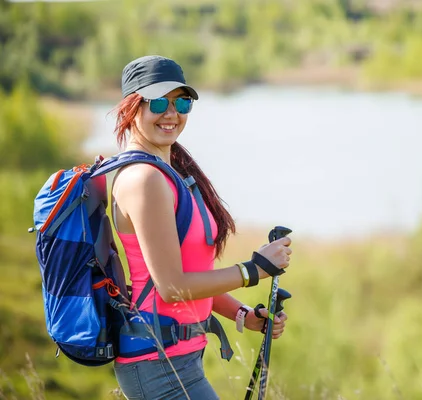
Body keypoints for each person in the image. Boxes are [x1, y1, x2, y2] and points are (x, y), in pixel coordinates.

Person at [109, 55, 293, 399]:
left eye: (182, 101)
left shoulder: (168, 174)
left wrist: (241, 313)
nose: (171, 112)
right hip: (157, 366)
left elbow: (192, 273)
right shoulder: (143, 180)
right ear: (131, 108)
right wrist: (254, 270)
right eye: (159, 101)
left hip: (182, 359)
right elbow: (171, 287)